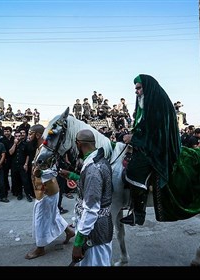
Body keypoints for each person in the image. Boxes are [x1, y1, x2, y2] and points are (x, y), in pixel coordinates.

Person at [120, 74, 181, 226]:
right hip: (149, 144)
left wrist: (133, 139)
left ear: (148, 87)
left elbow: (156, 132)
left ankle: (138, 215)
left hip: (160, 148)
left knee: (134, 170)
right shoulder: (146, 104)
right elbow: (144, 128)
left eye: (139, 88)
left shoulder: (158, 103)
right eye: (136, 89)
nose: (136, 92)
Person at [61, 129, 113, 266]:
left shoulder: (93, 169)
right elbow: (93, 186)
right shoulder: (99, 160)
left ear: (78, 144)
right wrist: (71, 176)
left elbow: (91, 209)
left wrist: (78, 243)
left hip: (94, 232)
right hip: (95, 228)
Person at [25, 124, 75, 260]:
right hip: (41, 190)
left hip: (47, 191)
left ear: (37, 135)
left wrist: (40, 172)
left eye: (30, 134)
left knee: (41, 218)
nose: (28, 136)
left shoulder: (47, 151)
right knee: (53, 215)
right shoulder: (40, 149)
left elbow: (54, 170)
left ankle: (40, 248)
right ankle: (69, 231)